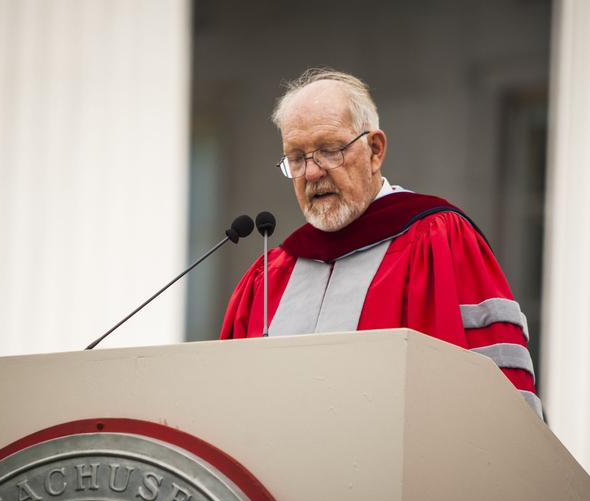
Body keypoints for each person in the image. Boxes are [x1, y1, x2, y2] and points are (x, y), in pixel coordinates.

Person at [221, 68, 542, 418]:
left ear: (374, 150)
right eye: (297, 158)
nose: (312, 173)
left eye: (329, 150)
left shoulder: (438, 241)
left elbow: (500, 403)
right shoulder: (268, 279)